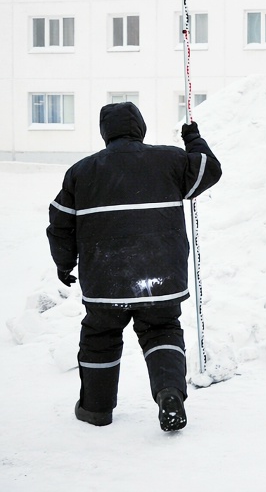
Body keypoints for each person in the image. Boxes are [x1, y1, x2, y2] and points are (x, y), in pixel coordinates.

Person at [46, 102, 222, 431]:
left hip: (105, 279)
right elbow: (207, 169)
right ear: (140, 128)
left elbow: (60, 223)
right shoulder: (169, 160)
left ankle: (96, 410)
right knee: (162, 331)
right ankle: (169, 393)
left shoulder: (81, 172)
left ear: (104, 133)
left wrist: (64, 263)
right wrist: (193, 139)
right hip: (162, 277)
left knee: (101, 335)